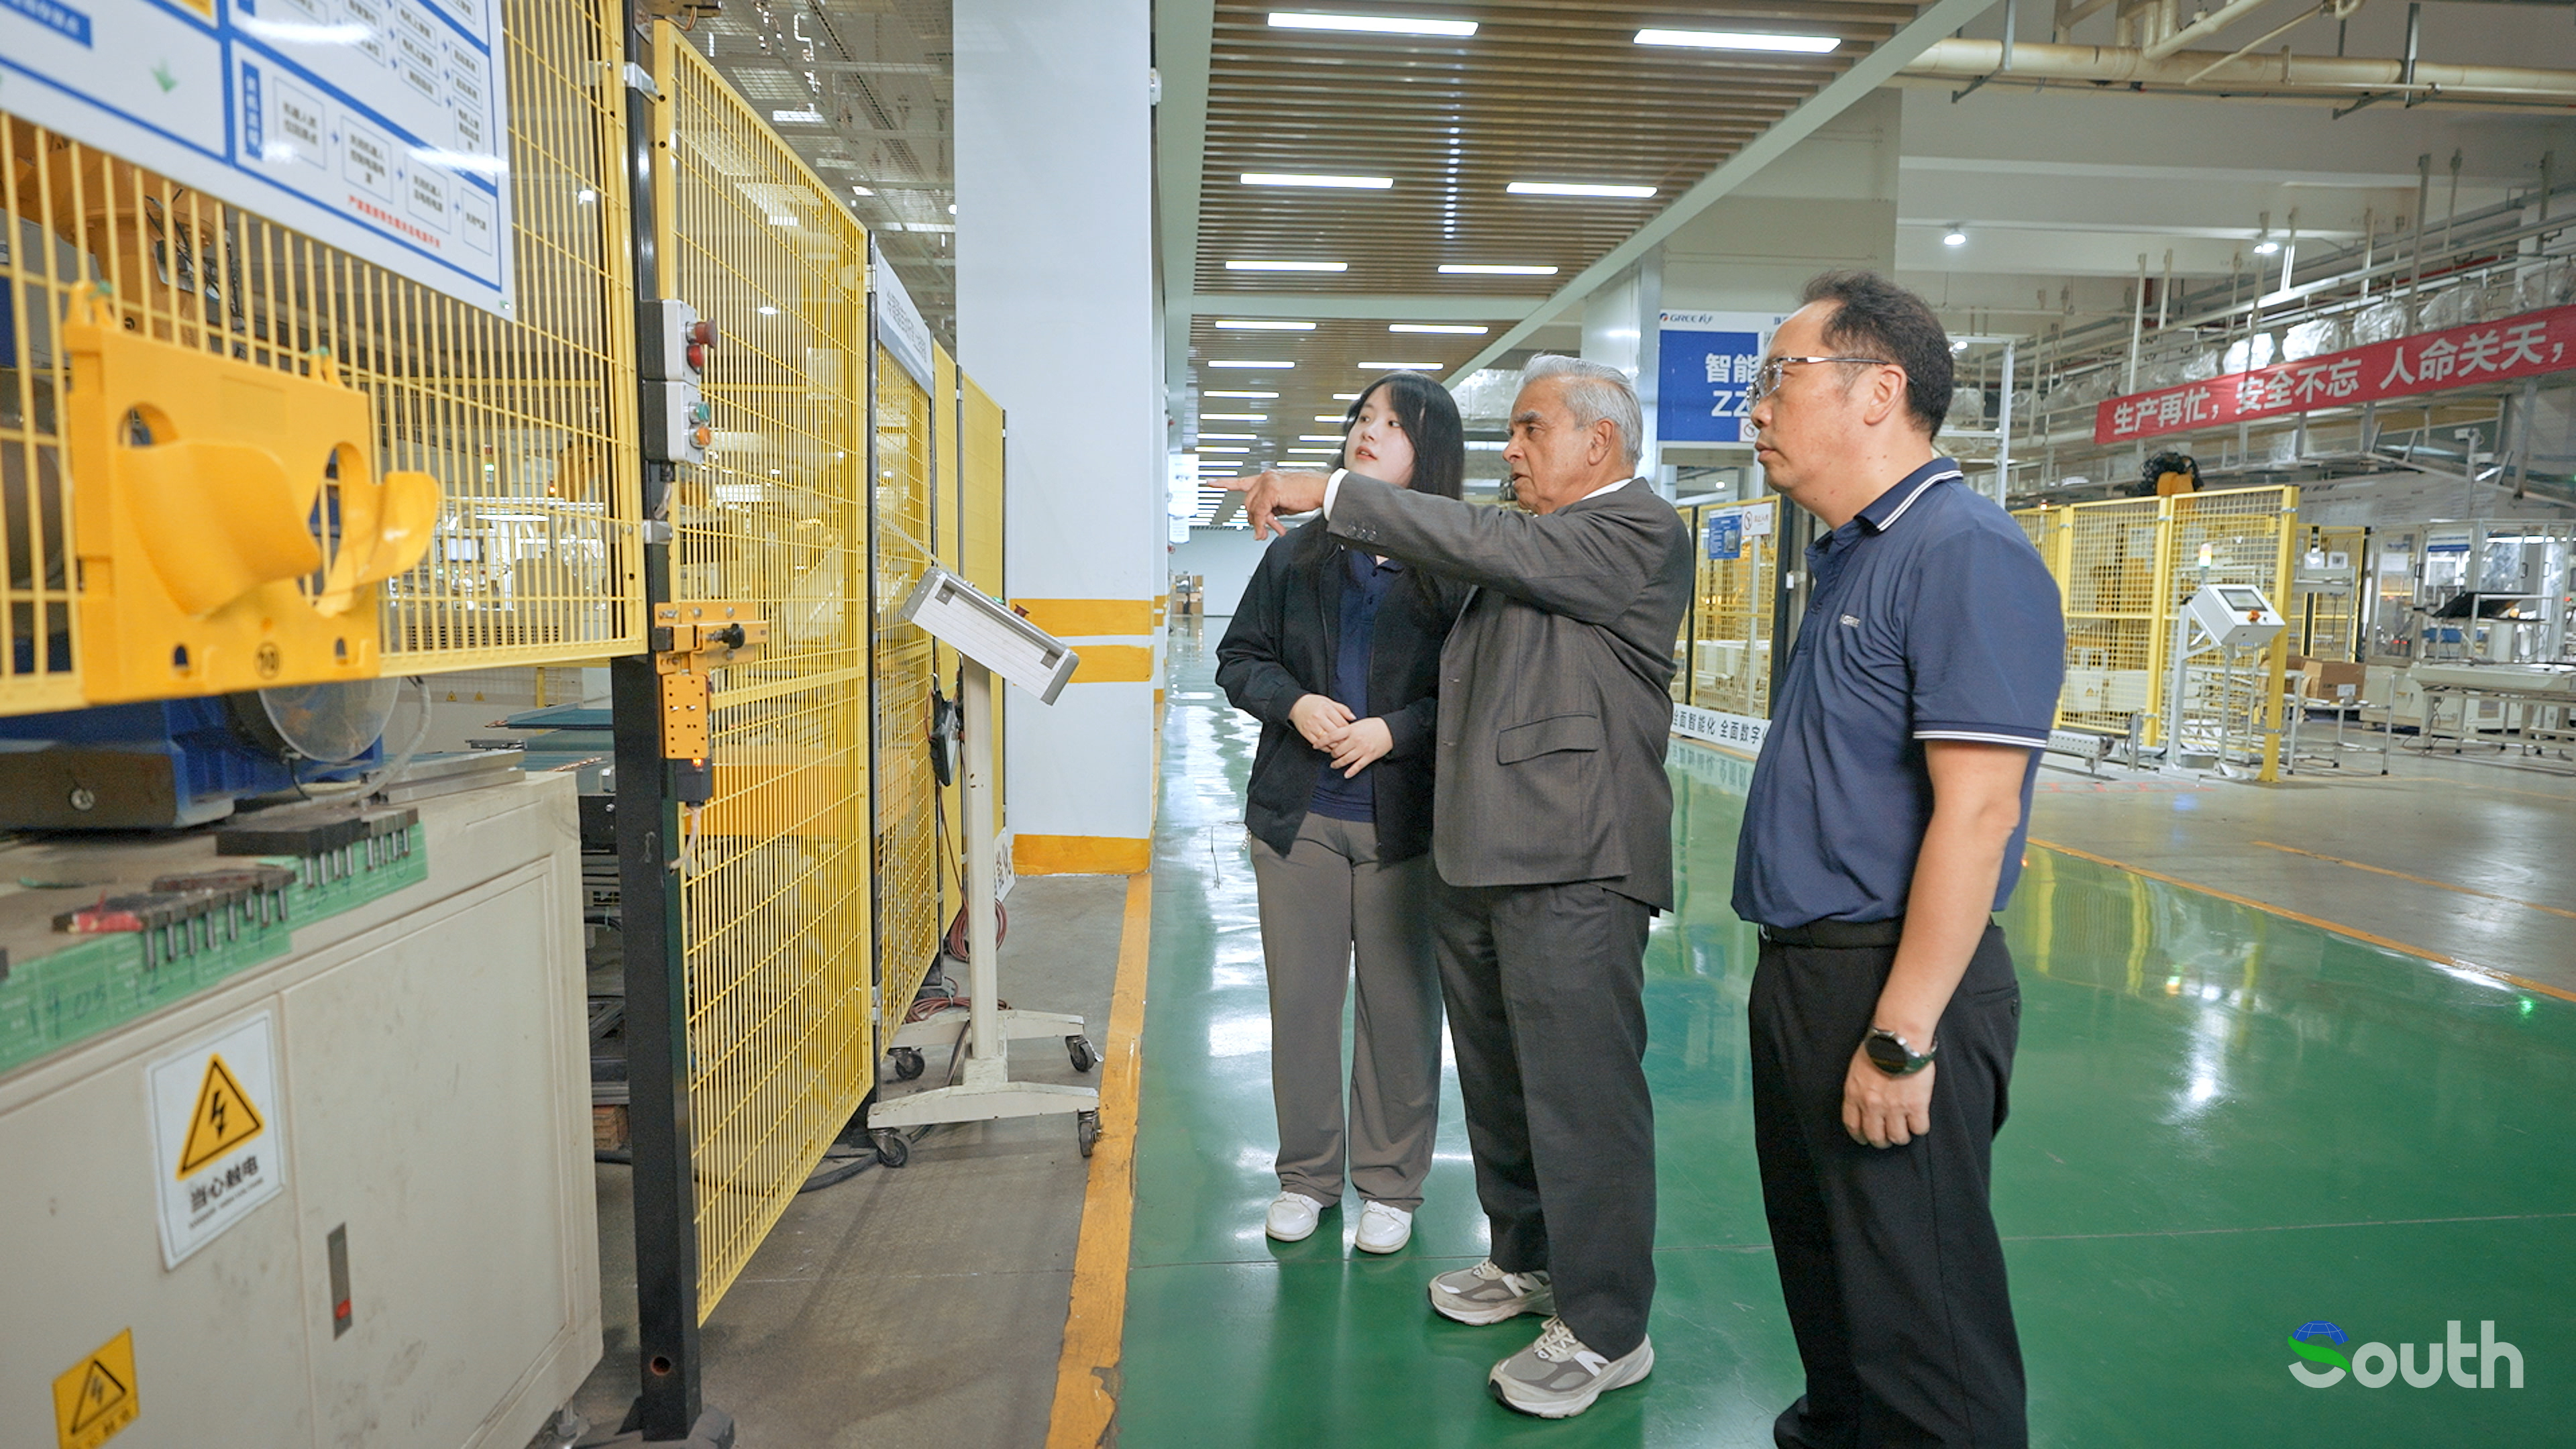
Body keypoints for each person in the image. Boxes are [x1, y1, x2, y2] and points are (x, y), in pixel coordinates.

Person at [1228, 356, 1693, 1419]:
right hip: (1483, 857)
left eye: (1531, 430)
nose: (1512, 451)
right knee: (1505, 1089)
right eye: (1511, 433)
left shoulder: (1635, 530)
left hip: (1577, 862)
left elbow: (1488, 545)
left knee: (1583, 1103)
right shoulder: (1527, 539)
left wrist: (1334, 492)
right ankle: (1528, 1261)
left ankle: (1607, 1328)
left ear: (1599, 443)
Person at [1734, 271, 2065, 1448]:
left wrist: (1901, 1036)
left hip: (1893, 983)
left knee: (1922, 1329)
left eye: (1780, 377)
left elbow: (1979, 815)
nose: (1757, 407)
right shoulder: (1854, 554)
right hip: (1807, 973)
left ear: (1879, 391)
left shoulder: (1962, 552)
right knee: (1835, 1297)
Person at [1214, 372, 1470, 1256]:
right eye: (1364, 416)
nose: (1370, 431)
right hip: (1299, 821)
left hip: (1406, 828)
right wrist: (1294, 704)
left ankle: (1392, 1184)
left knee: (1401, 1013)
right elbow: (1240, 657)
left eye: (1393, 424)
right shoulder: (1300, 557)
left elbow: (1476, 693)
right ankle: (1307, 1177)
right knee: (1302, 1006)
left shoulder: (1458, 573)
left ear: (1429, 453)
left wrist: (1397, 730)